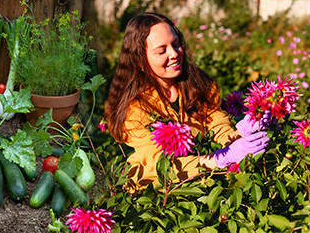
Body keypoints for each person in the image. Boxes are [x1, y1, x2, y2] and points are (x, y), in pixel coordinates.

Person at [104, 12, 269, 193]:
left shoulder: (197, 84)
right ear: (140, 61)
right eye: (161, 51)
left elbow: (216, 124)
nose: (174, 54)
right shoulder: (134, 108)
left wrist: (239, 134)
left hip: (202, 181)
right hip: (155, 195)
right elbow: (160, 166)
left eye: (176, 44)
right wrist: (219, 159)